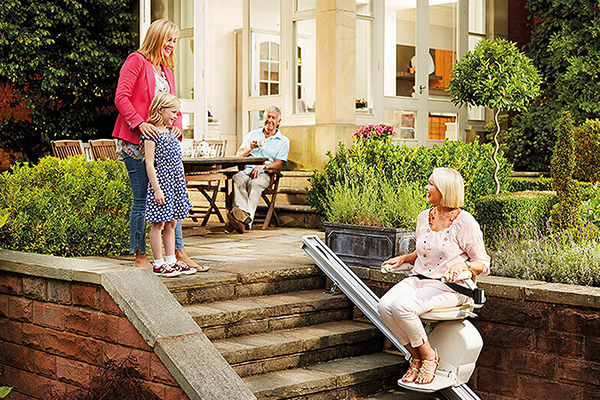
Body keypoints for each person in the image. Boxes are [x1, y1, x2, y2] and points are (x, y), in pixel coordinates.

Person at [377, 168, 490, 385]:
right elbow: (426, 252)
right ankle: (416, 358)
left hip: (451, 288)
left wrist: (462, 264)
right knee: (384, 306)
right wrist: (404, 258)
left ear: (445, 189)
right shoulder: (423, 217)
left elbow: (483, 264)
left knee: (402, 307)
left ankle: (429, 357)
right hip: (419, 280)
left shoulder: (465, 222)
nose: (426, 188)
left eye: (431, 184)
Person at [112, 19, 207, 271]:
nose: (171, 45)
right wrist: (138, 123)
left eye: (175, 41)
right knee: (142, 199)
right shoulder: (136, 61)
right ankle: (140, 255)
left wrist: (178, 124)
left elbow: (175, 104)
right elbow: (121, 97)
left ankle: (178, 253)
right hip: (136, 141)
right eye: (169, 39)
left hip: (164, 144)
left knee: (172, 200)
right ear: (157, 37)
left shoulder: (168, 71)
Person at [142, 93, 195, 277]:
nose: (175, 116)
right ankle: (158, 263)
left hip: (176, 183)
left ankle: (172, 261)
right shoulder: (151, 134)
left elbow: (178, 161)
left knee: (172, 222)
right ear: (160, 110)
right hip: (162, 184)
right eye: (173, 112)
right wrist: (157, 188)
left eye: (177, 113)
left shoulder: (172, 133)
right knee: (158, 223)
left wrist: (184, 187)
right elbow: (149, 163)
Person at [227, 106, 290, 233]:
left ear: (279, 121)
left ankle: (243, 221)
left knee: (254, 184)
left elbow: (278, 164)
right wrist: (249, 148)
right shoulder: (252, 134)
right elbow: (238, 156)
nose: (270, 120)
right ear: (263, 118)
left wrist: (264, 166)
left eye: (273, 117)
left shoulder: (283, 141)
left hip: (265, 173)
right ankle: (245, 219)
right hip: (245, 170)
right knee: (236, 180)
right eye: (268, 117)